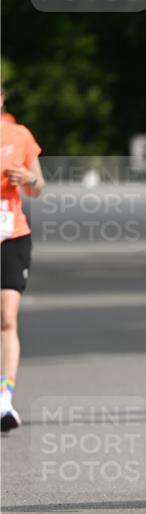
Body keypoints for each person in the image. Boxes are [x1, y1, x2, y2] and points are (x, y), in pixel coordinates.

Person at [1, 89, 45, 432]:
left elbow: (38, 186)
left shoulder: (19, 135)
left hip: (11, 235)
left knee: (7, 319)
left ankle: (5, 399)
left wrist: (28, 179)